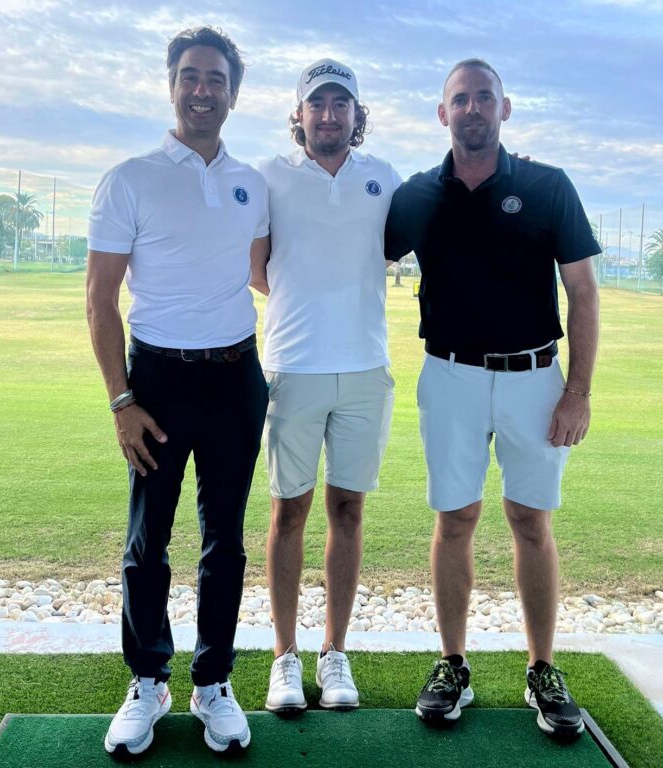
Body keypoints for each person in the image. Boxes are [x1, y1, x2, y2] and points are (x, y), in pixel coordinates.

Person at [384, 58, 600, 738]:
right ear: (441, 113)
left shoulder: (547, 185)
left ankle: (542, 669)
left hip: (535, 377)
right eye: (460, 99)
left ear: (505, 109)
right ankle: (453, 664)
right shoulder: (417, 194)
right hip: (448, 376)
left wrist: (578, 392)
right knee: (455, 519)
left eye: (484, 98)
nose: (472, 108)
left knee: (531, 522)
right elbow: (355, 253)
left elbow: (584, 292)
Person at [86, 27, 269, 757]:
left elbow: (262, 274)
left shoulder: (251, 182)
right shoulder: (129, 177)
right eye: (190, 77)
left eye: (216, 79)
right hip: (156, 380)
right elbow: (100, 299)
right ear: (171, 84)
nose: (202, 90)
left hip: (236, 377)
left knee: (225, 539)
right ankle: (148, 681)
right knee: (147, 541)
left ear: (233, 92)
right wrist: (122, 400)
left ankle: (212, 682)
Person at [250, 59, 400, 714]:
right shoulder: (269, 177)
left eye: (342, 104)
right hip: (293, 368)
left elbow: (394, 251)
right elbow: (258, 271)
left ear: (356, 115)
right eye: (319, 104)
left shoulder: (384, 178)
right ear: (301, 113)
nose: (330, 114)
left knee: (349, 511)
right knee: (289, 512)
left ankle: (334, 655)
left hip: (366, 369)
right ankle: (284, 660)